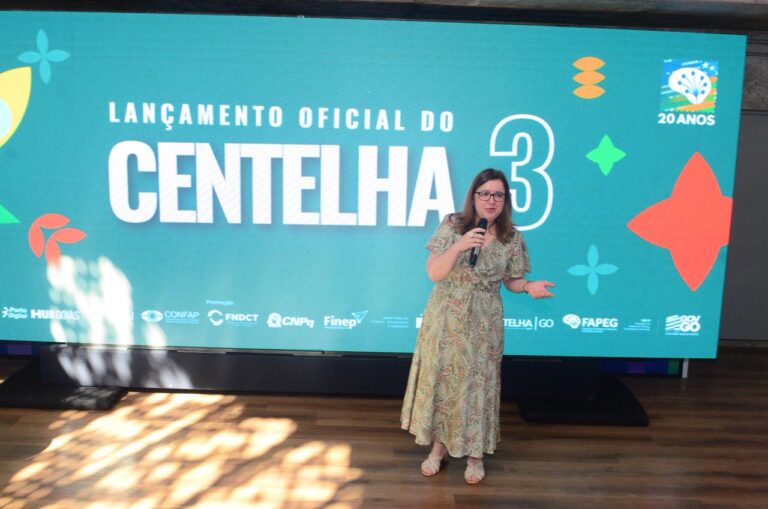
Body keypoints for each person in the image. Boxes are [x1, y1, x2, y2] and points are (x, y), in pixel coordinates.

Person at [400, 168, 555, 485]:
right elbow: (434, 273)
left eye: (498, 194)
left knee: (478, 385)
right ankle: (438, 448)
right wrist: (459, 246)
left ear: (506, 200)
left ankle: (475, 455)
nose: (491, 200)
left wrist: (528, 287)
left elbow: (511, 281)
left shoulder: (512, 237)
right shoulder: (453, 225)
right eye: (485, 193)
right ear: (473, 196)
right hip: (446, 314)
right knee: (445, 381)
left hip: (485, 319)